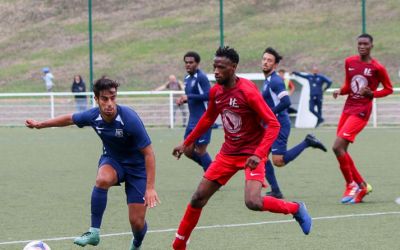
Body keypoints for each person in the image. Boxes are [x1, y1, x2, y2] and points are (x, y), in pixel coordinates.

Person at [171, 46, 312, 250]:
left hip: (251, 154)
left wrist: (259, 153)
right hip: (228, 154)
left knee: (253, 202)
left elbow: (273, 124)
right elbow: (208, 118)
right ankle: (179, 244)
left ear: (233, 67)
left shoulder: (247, 91)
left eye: (221, 67)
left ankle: (296, 208)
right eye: (214, 67)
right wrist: (186, 143)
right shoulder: (216, 91)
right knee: (197, 198)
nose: (216, 71)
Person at [25, 76, 160, 250]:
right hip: (113, 160)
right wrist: (39, 124)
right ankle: (94, 232)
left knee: (136, 223)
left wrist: (150, 188)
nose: (109, 103)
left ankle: (137, 242)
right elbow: (70, 119)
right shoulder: (93, 116)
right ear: (96, 99)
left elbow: (149, 153)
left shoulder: (129, 118)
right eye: (104, 99)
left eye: (113, 98)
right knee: (102, 179)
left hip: (137, 168)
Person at [332, 33, 393, 204]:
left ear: (371, 46)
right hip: (348, 108)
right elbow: (349, 85)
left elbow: (388, 89)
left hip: (361, 111)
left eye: (365, 44)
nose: (362, 46)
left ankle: (351, 184)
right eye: (360, 43)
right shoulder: (349, 62)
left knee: (337, 147)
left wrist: (373, 93)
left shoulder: (377, 68)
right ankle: (362, 185)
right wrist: (340, 91)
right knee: (341, 150)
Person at [261, 47, 327, 199]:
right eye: (264, 59)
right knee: (261, 156)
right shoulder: (267, 81)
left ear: (275, 65)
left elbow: (286, 101)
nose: (265, 62)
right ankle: (276, 190)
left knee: (278, 161)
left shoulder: (276, 81)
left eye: (269, 60)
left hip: (279, 124)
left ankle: (307, 142)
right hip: (270, 124)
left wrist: (269, 113)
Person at [175, 51, 212, 172]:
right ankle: (212, 169)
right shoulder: (187, 78)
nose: (188, 65)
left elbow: (209, 95)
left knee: (200, 150)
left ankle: (212, 175)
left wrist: (189, 96)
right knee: (187, 150)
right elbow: (193, 97)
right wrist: (184, 100)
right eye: (186, 62)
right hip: (193, 120)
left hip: (204, 119)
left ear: (197, 63)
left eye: (191, 62)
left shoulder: (201, 77)